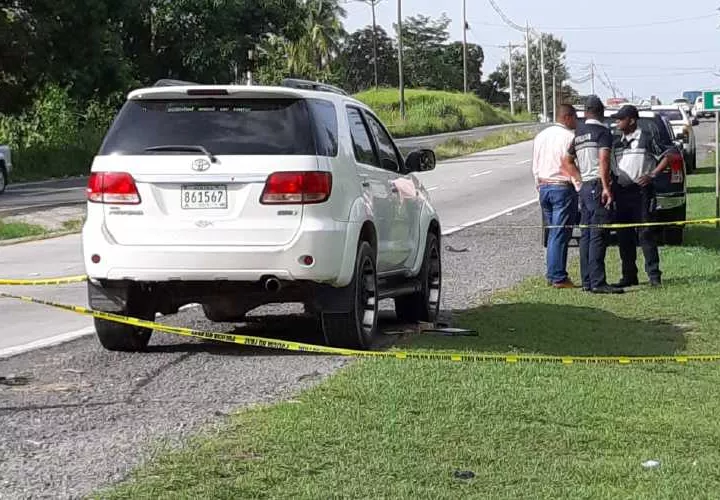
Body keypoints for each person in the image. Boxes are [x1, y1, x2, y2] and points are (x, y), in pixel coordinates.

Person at [567, 96, 624, 294]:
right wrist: (607, 187)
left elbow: (566, 161)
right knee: (599, 234)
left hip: (585, 188)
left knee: (586, 235)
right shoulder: (602, 132)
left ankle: (586, 281)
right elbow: (604, 159)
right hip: (598, 185)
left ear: (585, 112)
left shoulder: (578, 134)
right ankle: (598, 282)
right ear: (601, 112)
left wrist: (579, 180)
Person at [610, 104, 667, 287]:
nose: (617, 122)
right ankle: (629, 275)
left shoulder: (647, 138)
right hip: (622, 193)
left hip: (642, 193)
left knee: (646, 234)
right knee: (624, 236)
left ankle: (654, 275)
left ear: (632, 120)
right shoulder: (616, 142)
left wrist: (652, 174)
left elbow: (668, 155)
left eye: (620, 119)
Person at [532, 104, 581, 288]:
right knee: (560, 234)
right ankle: (558, 276)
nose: (576, 122)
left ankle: (553, 273)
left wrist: (538, 184)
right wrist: (579, 186)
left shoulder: (541, 136)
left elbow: (535, 164)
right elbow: (570, 164)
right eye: (575, 118)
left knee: (553, 232)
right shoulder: (570, 137)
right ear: (567, 117)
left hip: (544, 186)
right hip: (562, 187)